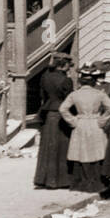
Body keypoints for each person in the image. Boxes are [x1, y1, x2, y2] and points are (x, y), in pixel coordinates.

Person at [57, 63, 110, 193]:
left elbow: (63, 109)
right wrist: (102, 120)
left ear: (80, 80)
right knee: (96, 152)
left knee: (81, 152)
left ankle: (81, 183)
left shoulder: (75, 94)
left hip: (80, 123)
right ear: (94, 81)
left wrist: (72, 121)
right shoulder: (99, 94)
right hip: (95, 123)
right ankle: (96, 182)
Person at [33, 53, 74, 189]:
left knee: (47, 147)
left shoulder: (45, 77)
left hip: (48, 113)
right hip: (61, 114)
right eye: (68, 65)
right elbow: (69, 100)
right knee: (62, 147)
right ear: (63, 65)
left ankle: (44, 179)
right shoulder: (66, 81)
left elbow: (42, 96)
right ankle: (62, 180)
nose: (69, 68)